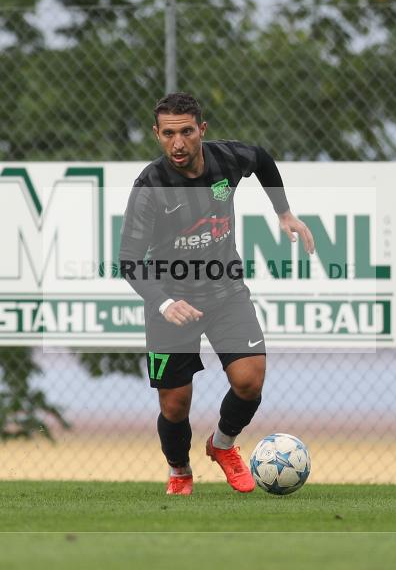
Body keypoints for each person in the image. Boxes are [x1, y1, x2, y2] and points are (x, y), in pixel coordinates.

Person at [119, 92, 315, 495]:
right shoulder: (150, 186)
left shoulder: (226, 159)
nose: (178, 143)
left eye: (187, 132)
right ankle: (179, 471)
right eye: (169, 133)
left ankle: (222, 445)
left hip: (226, 290)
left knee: (249, 381)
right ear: (157, 134)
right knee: (175, 406)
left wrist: (284, 211)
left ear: (201, 130)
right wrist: (164, 302)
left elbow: (260, 158)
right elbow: (129, 259)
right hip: (171, 303)